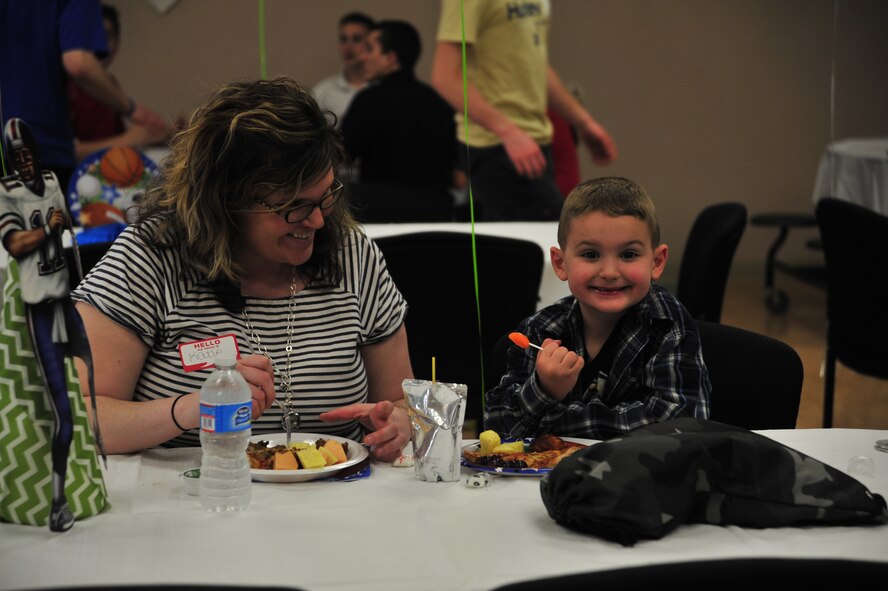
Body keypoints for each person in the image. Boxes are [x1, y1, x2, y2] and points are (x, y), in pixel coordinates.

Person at [70, 77, 414, 462]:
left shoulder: (351, 255)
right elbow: (73, 417)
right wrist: (192, 408)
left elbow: (401, 402)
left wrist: (399, 423)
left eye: (327, 196)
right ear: (225, 204)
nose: (318, 221)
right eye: (294, 206)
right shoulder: (151, 256)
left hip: (332, 502)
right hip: (192, 502)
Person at [484, 177, 711, 439]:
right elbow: (496, 427)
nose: (610, 272)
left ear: (656, 262)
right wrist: (544, 389)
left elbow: (681, 424)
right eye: (591, 255)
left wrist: (553, 416)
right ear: (560, 263)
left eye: (628, 255)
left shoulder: (667, 325)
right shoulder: (541, 329)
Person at [431, 0, 618, 221]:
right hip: (494, 145)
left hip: (533, 141)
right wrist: (508, 132)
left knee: (539, 242)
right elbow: (445, 78)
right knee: (558, 235)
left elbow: (534, 66)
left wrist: (584, 122)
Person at [0, 118, 98, 532]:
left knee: (87, 379)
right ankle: (57, 500)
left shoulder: (52, 180)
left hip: (63, 297)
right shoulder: (7, 192)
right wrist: (46, 231)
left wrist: (78, 275)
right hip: (36, 306)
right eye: (15, 155)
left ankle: (89, 473)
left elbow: (70, 235)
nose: (23, 161)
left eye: (27, 153)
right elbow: (14, 242)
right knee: (57, 407)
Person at [0, 0, 170, 191]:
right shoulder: (77, 89)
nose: (101, 45)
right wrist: (134, 117)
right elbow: (78, 63)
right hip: (43, 159)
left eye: (109, 35)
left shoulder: (109, 88)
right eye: (99, 34)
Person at [340, 19, 458, 217]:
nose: (362, 57)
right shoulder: (440, 102)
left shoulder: (368, 100)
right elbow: (457, 169)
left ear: (390, 58)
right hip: (434, 213)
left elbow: (342, 154)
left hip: (380, 212)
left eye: (369, 49)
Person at [68, 3, 173, 162]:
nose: (99, 44)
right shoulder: (66, 86)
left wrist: (160, 135)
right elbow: (62, 152)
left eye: (107, 35)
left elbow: (118, 139)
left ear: (117, 43)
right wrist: (130, 140)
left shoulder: (111, 84)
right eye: (93, 34)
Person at [312, 11, 375, 124]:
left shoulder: (385, 89)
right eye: (343, 39)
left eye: (356, 39)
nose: (348, 46)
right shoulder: (322, 92)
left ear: (371, 44)